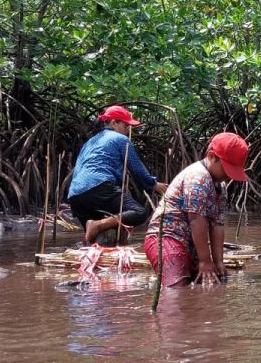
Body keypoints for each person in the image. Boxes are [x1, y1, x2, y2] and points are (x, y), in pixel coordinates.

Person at [143, 132, 249, 287]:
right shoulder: (197, 177)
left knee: (205, 285)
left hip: (190, 243)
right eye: (227, 169)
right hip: (166, 238)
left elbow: (217, 224)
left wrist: (218, 262)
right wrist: (205, 261)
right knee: (176, 288)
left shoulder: (220, 186)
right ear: (212, 157)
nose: (229, 175)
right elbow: (196, 219)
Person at [66, 105, 167, 246]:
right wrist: (154, 184)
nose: (128, 130)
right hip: (98, 186)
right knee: (139, 212)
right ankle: (97, 225)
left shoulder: (90, 142)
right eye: (126, 125)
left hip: (75, 195)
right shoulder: (120, 139)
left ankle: (91, 252)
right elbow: (137, 169)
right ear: (113, 122)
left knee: (96, 243)